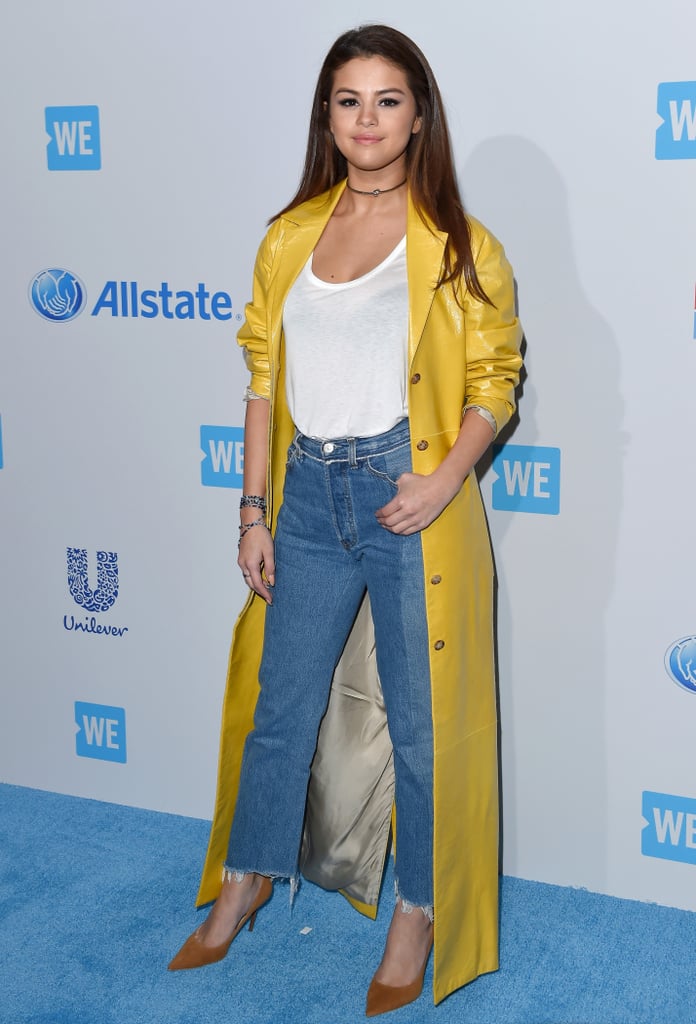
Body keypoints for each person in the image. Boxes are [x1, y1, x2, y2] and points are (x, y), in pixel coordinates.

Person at [169, 23, 523, 1015]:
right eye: (348, 100)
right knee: (281, 710)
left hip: (406, 500)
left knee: (423, 726)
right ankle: (245, 879)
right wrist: (251, 509)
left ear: (420, 116)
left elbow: (496, 381)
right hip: (306, 499)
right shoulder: (289, 235)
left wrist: (445, 479)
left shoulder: (458, 241)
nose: (367, 120)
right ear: (327, 115)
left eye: (388, 99)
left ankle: (416, 908)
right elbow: (260, 381)